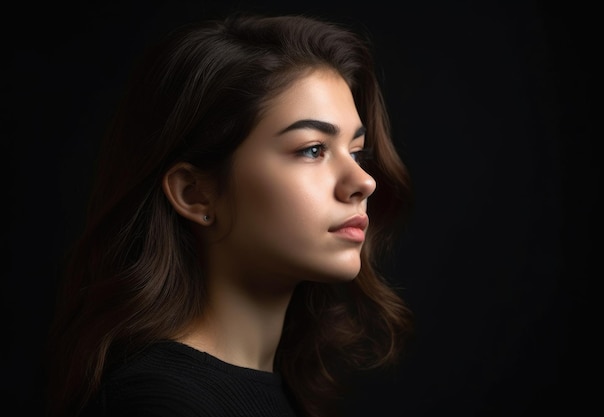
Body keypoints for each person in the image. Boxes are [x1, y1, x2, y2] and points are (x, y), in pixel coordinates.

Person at [45, 12, 414, 417]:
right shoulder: (158, 405)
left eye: (357, 152)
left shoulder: (281, 389)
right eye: (312, 150)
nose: (363, 182)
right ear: (195, 194)